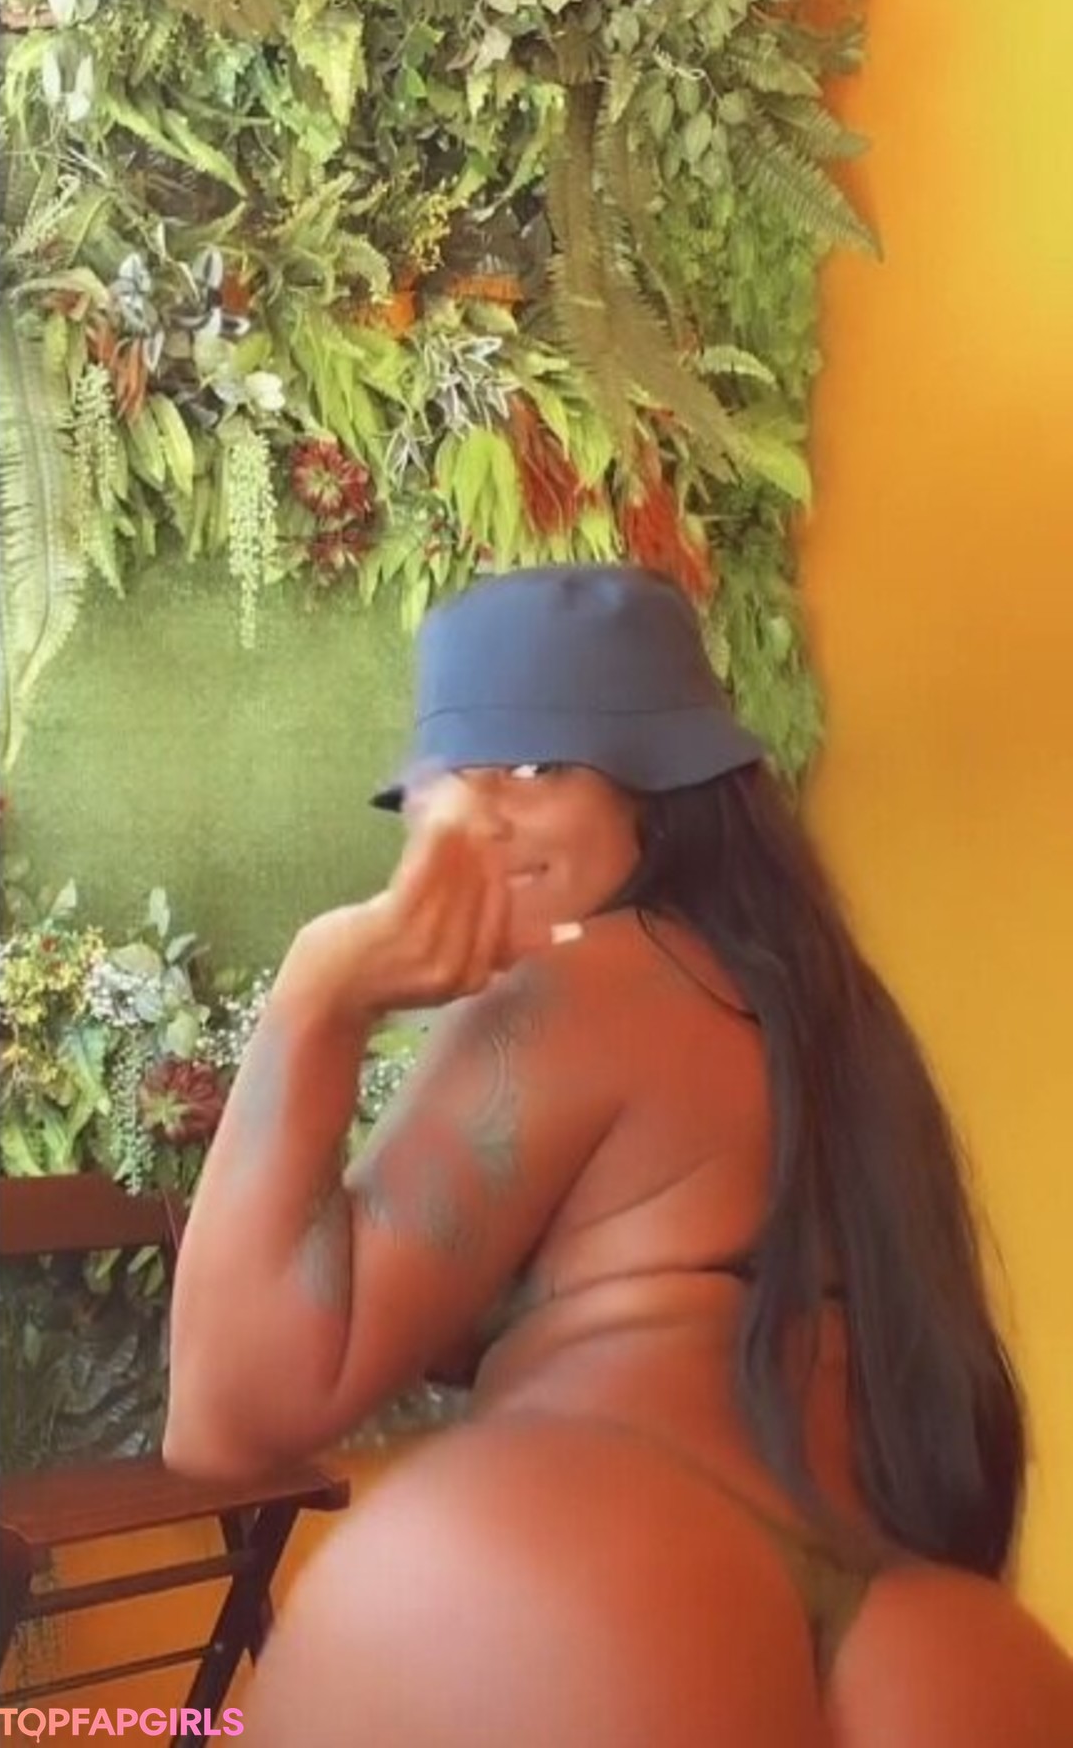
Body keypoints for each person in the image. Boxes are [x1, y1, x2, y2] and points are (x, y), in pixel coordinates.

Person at [165, 565, 1073, 1747]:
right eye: (450, 781)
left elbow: (229, 1411)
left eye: (540, 766)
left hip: (602, 1587)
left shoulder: (577, 988)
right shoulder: (836, 1022)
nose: (479, 817)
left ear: (664, 795)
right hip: (940, 1646)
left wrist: (318, 993)